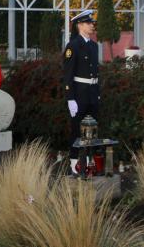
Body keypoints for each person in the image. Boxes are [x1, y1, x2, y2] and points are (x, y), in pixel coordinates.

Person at [63, 10, 100, 174]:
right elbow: (68, 74)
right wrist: (70, 98)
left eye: (92, 23)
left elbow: (96, 72)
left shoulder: (93, 46)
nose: (92, 25)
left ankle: (90, 162)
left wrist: (97, 93)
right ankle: (74, 162)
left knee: (93, 129)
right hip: (79, 94)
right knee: (77, 129)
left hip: (92, 93)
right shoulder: (73, 46)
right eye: (88, 23)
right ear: (79, 25)